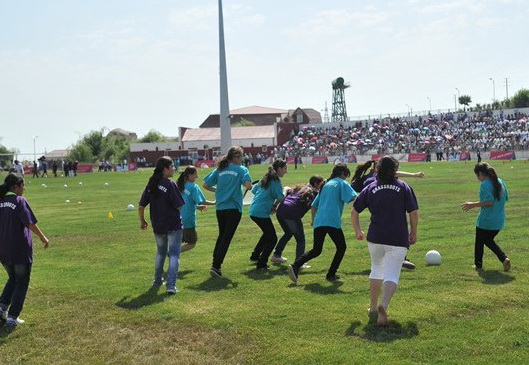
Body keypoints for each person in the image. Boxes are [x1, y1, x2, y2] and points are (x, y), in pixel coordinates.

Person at [351, 156, 419, 326]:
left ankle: (373, 307)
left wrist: (358, 231)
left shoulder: (370, 187)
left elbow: (354, 211)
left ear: (377, 170)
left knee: (376, 270)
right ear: (395, 170)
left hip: (375, 237)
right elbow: (414, 213)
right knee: (391, 274)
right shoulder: (403, 187)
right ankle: (384, 305)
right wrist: (414, 232)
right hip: (397, 236)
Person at [288, 163, 357, 283]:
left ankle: (295, 265)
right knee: (341, 247)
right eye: (346, 175)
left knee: (316, 250)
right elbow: (353, 198)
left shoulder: (325, 185)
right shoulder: (342, 183)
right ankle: (331, 274)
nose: (346, 177)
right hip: (332, 221)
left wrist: (314, 220)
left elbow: (314, 205)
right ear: (342, 174)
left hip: (320, 221)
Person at [351, 160, 423, 270]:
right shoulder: (390, 178)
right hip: (392, 213)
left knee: (377, 268)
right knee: (394, 221)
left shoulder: (368, 178)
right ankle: (400, 258)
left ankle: (397, 258)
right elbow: (399, 174)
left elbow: (354, 204)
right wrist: (415, 175)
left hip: (375, 225)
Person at [0, 173, 49, 329]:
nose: (24, 188)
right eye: (23, 185)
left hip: (3, 250)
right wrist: (43, 237)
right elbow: (30, 223)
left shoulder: (1, 201)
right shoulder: (19, 201)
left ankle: (1, 309)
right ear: (16, 187)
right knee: (21, 282)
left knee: (13, 278)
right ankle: (12, 318)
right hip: (19, 250)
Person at [203, 146, 252, 278]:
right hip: (234, 208)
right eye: (240, 157)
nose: (242, 159)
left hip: (220, 208)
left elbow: (205, 184)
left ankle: (215, 260)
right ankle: (216, 266)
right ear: (236, 157)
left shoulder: (220, 169)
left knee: (222, 235)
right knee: (226, 238)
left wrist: (218, 191)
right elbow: (248, 186)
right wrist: (249, 184)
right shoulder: (242, 169)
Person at [138, 156, 184, 295]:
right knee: (174, 255)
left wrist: (142, 221)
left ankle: (157, 281)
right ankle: (171, 285)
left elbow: (141, 206)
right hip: (173, 225)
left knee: (160, 252)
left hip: (157, 225)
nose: (174, 169)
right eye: (172, 166)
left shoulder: (151, 183)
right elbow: (180, 206)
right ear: (165, 169)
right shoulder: (170, 184)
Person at [461, 162, 510, 272]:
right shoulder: (500, 181)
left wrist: (472, 204)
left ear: (481, 173)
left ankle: (478, 265)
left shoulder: (484, 184)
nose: (477, 178)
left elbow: (489, 201)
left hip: (486, 220)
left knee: (480, 241)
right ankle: (504, 259)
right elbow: (505, 198)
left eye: (477, 175)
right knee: (488, 240)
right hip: (499, 220)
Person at [272, 175, 324, 265]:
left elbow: (287, 189)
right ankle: (298, 263)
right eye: (321, 184)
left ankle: (276, 255)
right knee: (300, 240)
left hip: (281, 211)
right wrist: (314, 220)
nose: (323, 186)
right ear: (315, 184)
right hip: (292, 214)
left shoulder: (301, 187)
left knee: (288, 233)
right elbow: (315, 207)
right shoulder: (314, 194)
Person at [249, 159, 288, 270]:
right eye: (285, 169)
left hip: (254, 210)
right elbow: (281, 197)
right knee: (272, 238)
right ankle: (262, 264)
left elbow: (254, 191)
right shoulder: (275, 181)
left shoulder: (264, 178)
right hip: (261, 213)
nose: (286, 171)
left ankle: (255, 255)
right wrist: (274, 205)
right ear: (279, 169)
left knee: (267, 234)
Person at [176, 166, 215, 253]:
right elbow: (202, 201)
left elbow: (184, 203)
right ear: (189, 175)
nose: (197, 176)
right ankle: (172, 252)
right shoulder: (193, 187)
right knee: (191, 243)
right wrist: (215, 202)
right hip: (188, 220)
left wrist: (196, 207)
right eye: (195, 174)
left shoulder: (180, 185)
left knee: (178, 241)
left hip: (178, 219)